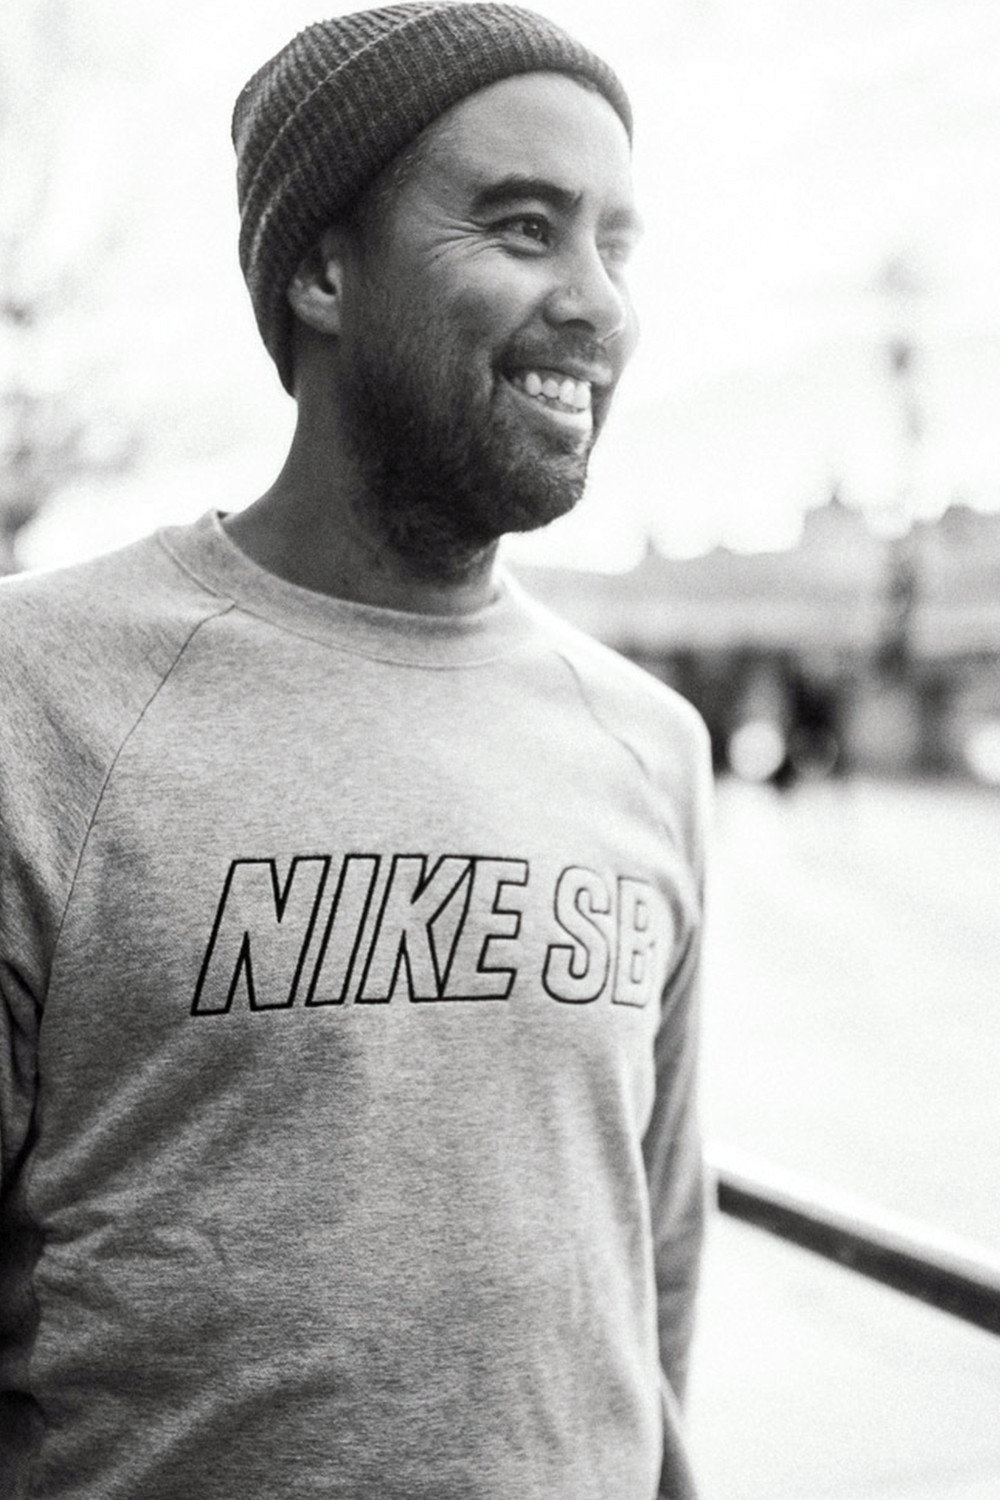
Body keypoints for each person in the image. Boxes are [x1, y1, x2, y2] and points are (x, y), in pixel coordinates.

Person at [0, 5, 712, 1497]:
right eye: (523, 228)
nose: (598, 304)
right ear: (322, 271)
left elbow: (652, 1267)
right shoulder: (39, 693)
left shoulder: (650, 748)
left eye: (617, 246)